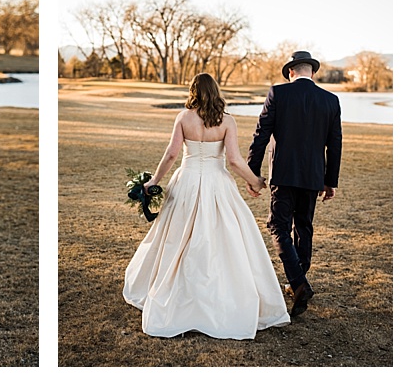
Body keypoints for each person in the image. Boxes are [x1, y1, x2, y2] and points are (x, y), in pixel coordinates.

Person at [123, 73, 291, 339]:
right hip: (216, 183)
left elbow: (171, 154)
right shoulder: (227, 121)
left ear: (193, 91)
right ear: (216, 91)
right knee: (222, 237)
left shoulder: (183, 118)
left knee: (176, 238)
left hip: (186, 181)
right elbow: (234, 160)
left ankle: (178, 293)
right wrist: (256, 181)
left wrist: (155, 180)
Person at [247, 51, 343, 317]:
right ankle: (296, 282)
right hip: (313, 176)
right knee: (304, 226)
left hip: (284, 174)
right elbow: (334, 144)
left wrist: (252, 173)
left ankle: (298, 283)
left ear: (291, 72)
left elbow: (261, 134)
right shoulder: (331, 100)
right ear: (311, 72)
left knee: (278, 225)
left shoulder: (278, 94)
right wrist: (330, 181)